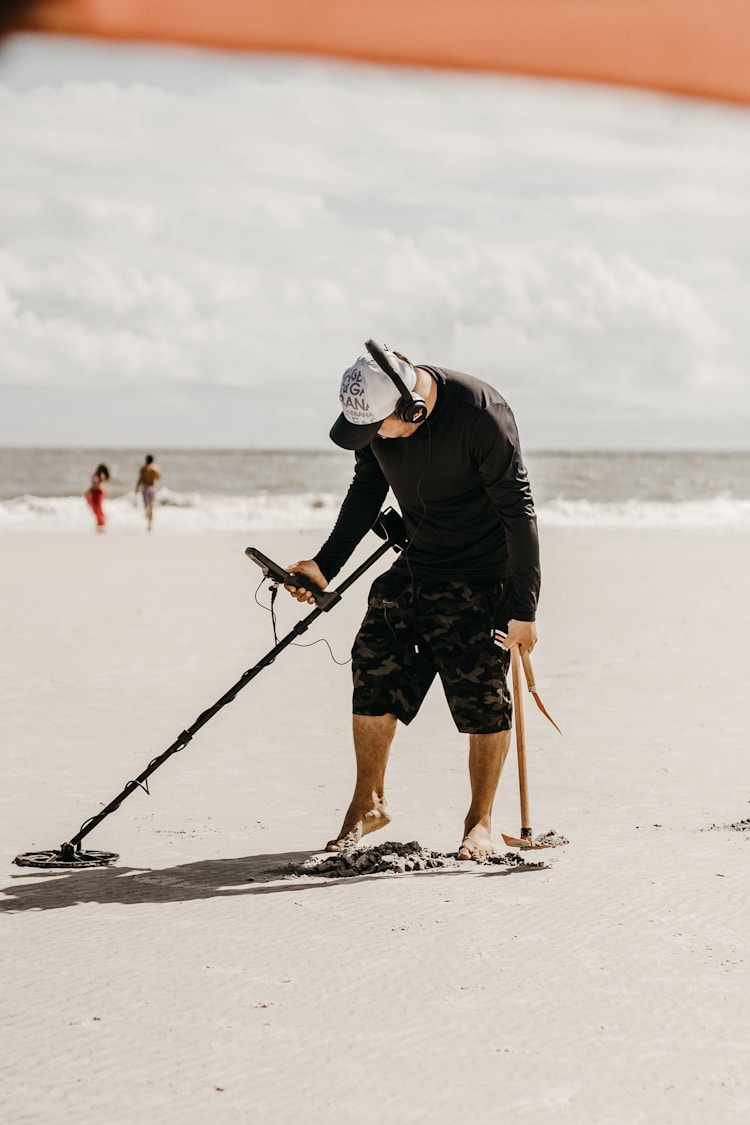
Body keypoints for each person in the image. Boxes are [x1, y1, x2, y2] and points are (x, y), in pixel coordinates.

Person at [285, 342, 541, 860]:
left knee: (480, 693)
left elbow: (519, 511)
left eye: (378, 428)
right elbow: (365, 492)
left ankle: (480, 822)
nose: (374, 439)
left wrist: (523, 608)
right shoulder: (375, 422)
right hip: (417, 558)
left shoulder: (481, 415)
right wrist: (323, 566)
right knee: (372, 664)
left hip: (482, 570)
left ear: (413, 408)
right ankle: (368, 802)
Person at [135, 454, 161, 531]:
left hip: (145, 488)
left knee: (146, 504)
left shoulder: (143, 469)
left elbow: (140, 480)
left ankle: (147, 513)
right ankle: (150, 523)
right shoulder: (155, 469)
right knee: (151, 506)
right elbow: (158, 477)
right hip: (152, 488)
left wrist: (136, 489)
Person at [85, 463, 110, 532]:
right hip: (98, 492)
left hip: (97, 493)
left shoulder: (97, 476)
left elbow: (94, 485)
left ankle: (101, 525)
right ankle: (101, 525)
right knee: (98, 510)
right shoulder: (99, 476)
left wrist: (88, 493)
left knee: (98, 510)